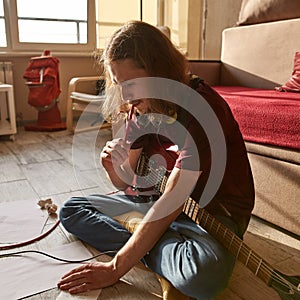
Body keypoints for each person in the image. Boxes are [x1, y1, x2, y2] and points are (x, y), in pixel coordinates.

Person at [58, 21, 255, 300]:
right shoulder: (140, 109)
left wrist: (116, 267)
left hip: (210, 216)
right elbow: (128, 182)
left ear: (161, 73)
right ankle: (158, 244)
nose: (125, 97)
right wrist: (113, 167)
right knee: (72, 210)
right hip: (154, 203)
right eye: (118, 84)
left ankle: (147, 239)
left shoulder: (203, 109)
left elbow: (173, 200)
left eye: (132, 84)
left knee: (203, 277)